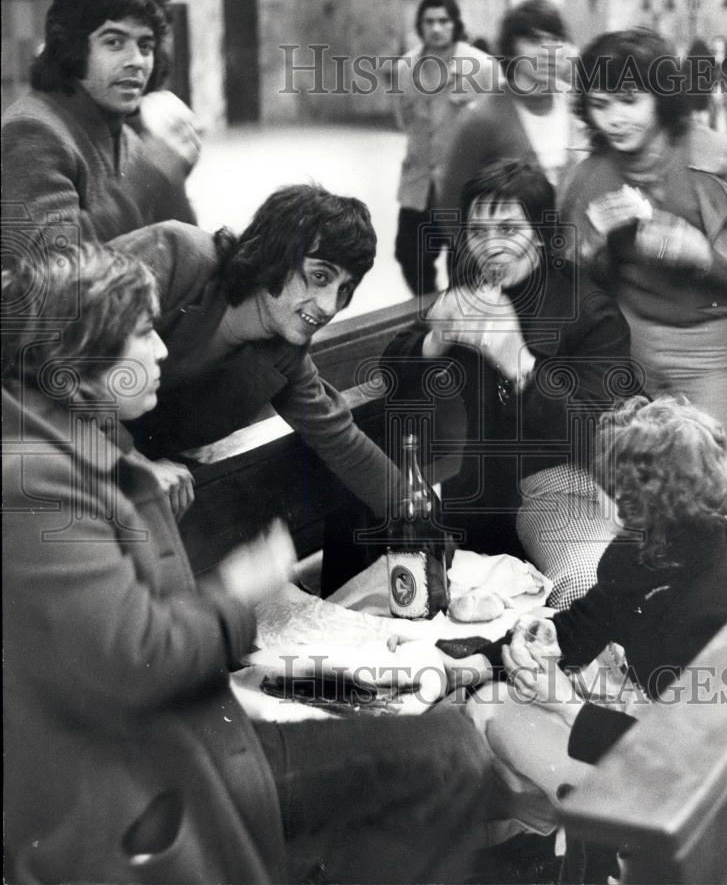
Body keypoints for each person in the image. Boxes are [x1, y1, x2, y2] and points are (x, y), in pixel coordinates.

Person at [2, 241, 496, 884]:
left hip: (185, 744)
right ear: (83, 355)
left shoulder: (61, 448)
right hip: (144, 794)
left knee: (435, 737)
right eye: (145, 333)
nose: (162, 352)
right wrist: (240, 586)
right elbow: (137, 660)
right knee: (449, 755)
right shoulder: (34, 483)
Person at [440, 396, 727, 858]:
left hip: (690, 791)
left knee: (495, 713)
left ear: (652, 506)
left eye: (614, 492)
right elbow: (585, 623)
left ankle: (590, 842)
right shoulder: (646, 547)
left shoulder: (726, 599)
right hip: (647, 725)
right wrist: (493, 657)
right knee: (491, 695)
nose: (601, 497)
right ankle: (557, 826)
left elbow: (686, 761)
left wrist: (567, 705)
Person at [382, 160, 641, 608]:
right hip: (486, 505)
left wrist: (519, 364)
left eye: (508, 228)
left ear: (540, 233)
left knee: (604, 592)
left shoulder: (590, 310)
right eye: (478, 232)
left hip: (577, 496)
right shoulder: (470, 292)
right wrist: (434, 340)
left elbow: (598, 438)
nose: (491, 246)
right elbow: (390, 373)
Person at [113, 184, 401, 532]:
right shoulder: (178, 255)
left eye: (344, 289)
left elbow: (343, 443)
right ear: (275, 255)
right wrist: (126, 455)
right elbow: (52, 356)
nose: (329, 306)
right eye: (319, 276)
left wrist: (423, 519)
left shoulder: (284, 354)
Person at [561, 28, 727, 485]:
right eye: (600, 104)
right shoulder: (586, 178)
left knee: (714, 484)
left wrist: (704, 258)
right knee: (641, 484)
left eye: (628, 100)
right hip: (632, 348)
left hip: (711, 348)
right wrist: (590, 249)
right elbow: (564, 287)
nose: (614, 119)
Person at [1, 0, 200, 241]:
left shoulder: (128, 138)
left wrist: (171, 178)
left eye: (146, 46)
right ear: (72, 47)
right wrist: (149, 179)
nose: (137, 61)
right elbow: (46, 270)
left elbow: (189, 249)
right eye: (114, 42)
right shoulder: (31, 132)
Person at [391, 0, 502, 295]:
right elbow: (403, 118)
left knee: (464, 261)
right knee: (409, 253)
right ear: (420, 26)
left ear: (455, 25)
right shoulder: (405, 67)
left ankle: (460, 317)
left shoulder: (482, 66)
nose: (436, 28)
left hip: (464, 183)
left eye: (443, 21)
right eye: (429, 21)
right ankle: (429, 308)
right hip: (419, 183)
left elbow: (498, 121)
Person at [439, 0, 578, 218]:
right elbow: (451, 205)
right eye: (534, 40)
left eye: (556, 39)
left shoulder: (576, 106)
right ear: (511, 48)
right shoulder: (481, 118)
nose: (548, 50)